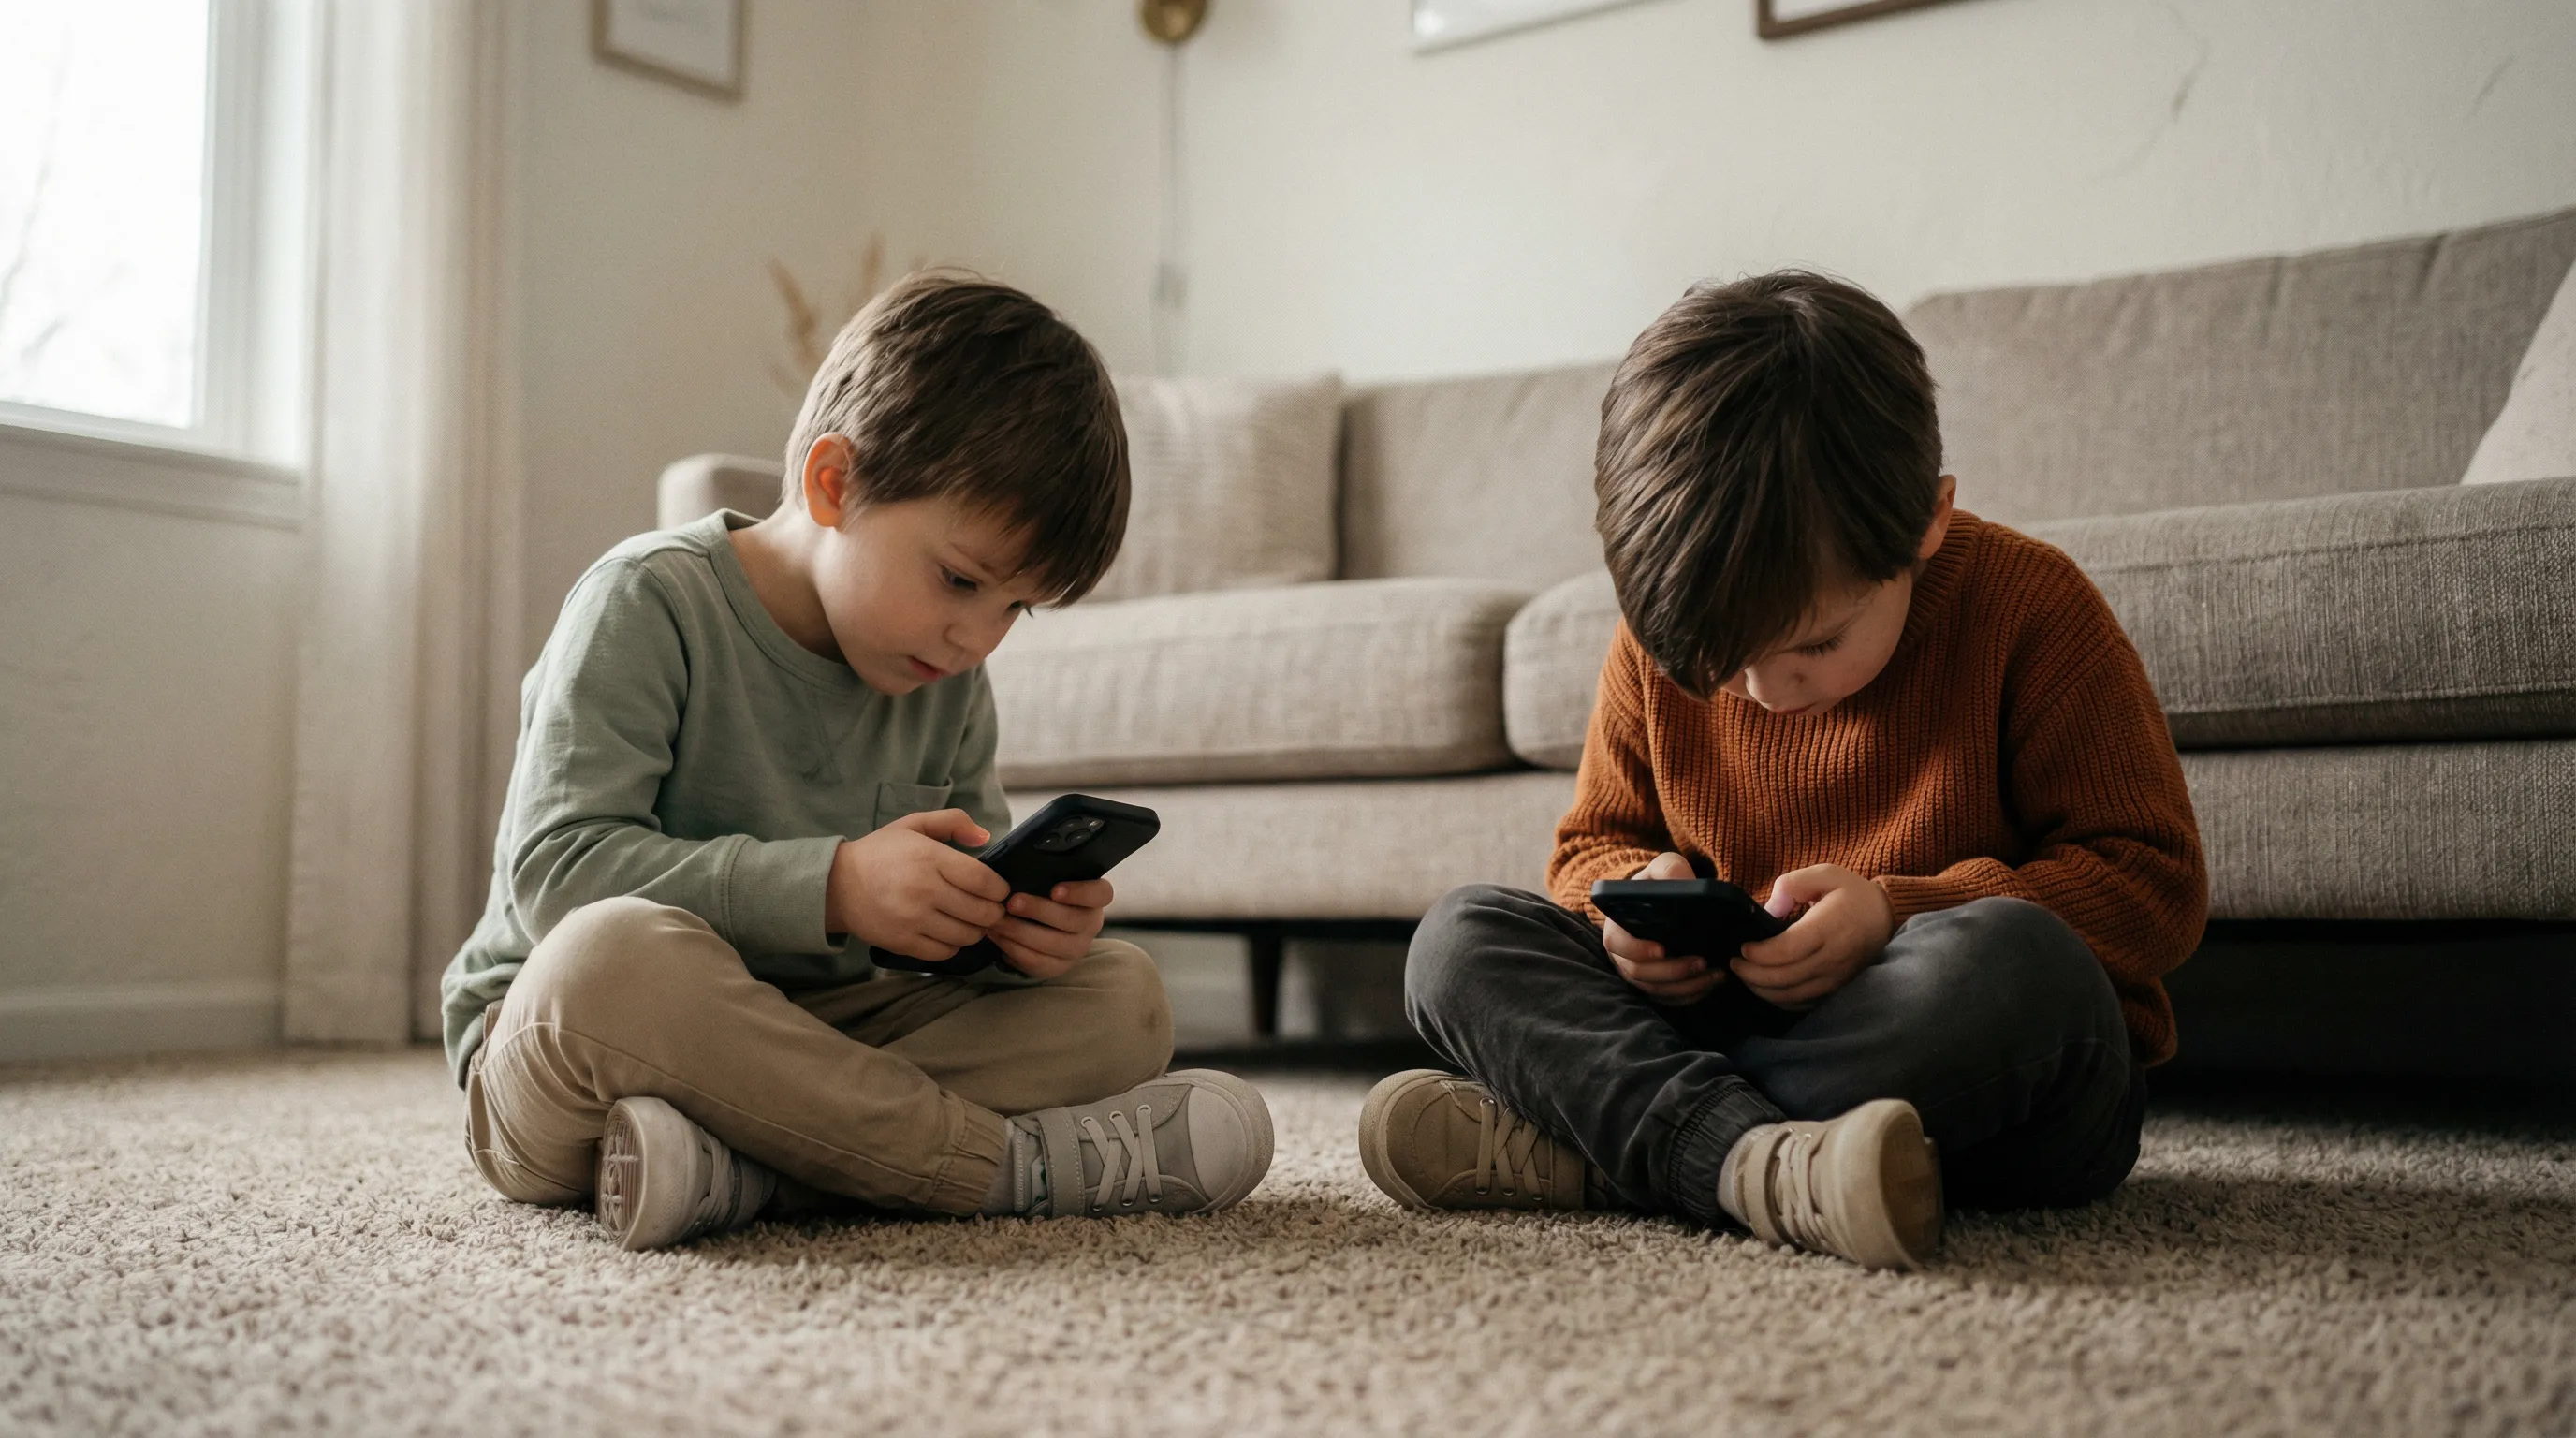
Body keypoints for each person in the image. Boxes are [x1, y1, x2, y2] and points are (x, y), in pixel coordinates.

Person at [1358, 271, 2205, 1270]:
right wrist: (1629, 902)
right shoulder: (1661, 643)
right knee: (1456, 942)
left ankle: (1617, 1145)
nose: (1765, 691)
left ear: (1927, 525)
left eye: (1814, 643)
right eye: (1722, 664)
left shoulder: (2031, 609)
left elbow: (2151, 890)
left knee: (2016, 966)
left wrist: (1895, 910)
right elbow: (1590, 846)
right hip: (1723, 1023)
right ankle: (1759, 1158)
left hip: (1962, 1067)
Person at [441, 272, 1272, 1251]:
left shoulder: (947, 675)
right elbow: (557, 877)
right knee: (606, 960)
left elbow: (944, 942)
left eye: (1016, 608)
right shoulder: (644, 602)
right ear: (835, 484)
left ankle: (746, 1172)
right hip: (579, 1055)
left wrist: (1012, 934)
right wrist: (833, 887)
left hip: (818, 1038)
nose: (977, 638)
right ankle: (998, 1171)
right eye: (960, 579)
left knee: (1121, 1000)